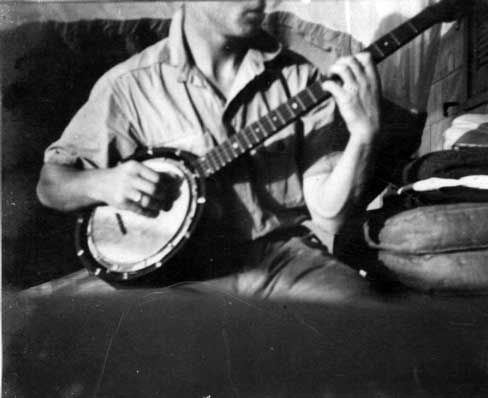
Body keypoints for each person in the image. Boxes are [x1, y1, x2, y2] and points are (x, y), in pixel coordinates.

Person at [36, 1, 384, 302]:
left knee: (363, 321)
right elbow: (51, 184)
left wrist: (363, 135)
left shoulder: (300, 78)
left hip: (284, 262)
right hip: (179, 278)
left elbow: (330, 216)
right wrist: (103, 183)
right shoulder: (130, 86)